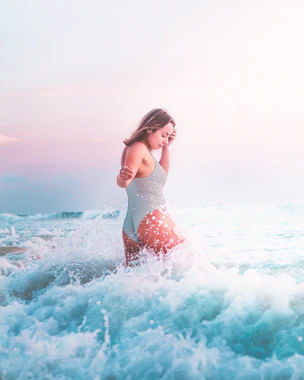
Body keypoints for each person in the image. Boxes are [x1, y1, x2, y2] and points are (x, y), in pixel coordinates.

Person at [117, 108, 185, 266]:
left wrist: (167, 147)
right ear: (150, 128)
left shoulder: (137, 150)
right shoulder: (139, 148)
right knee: (185, 264)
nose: (164, 140)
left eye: (168, 136)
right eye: (163, 135)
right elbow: (124, 182)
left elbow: (161, 176)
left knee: (135, 280)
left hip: (131, 226)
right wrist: (123, 177)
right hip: (151, 220)